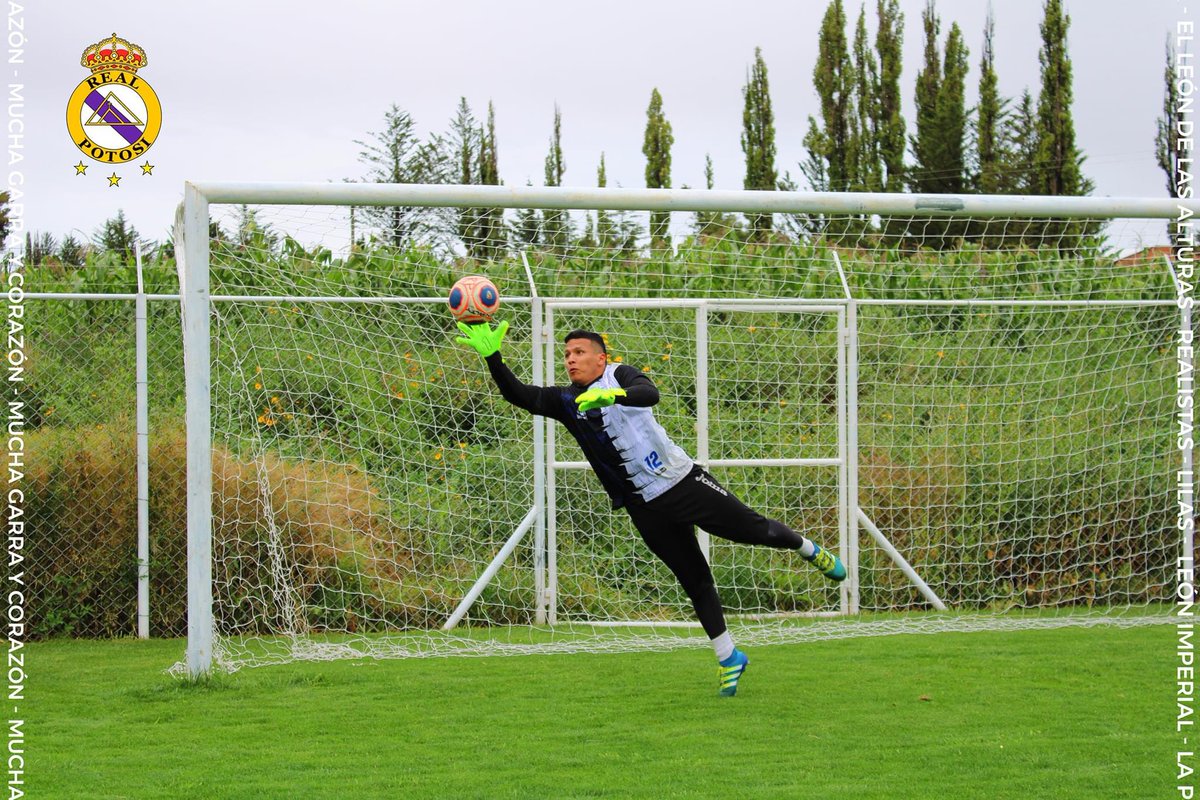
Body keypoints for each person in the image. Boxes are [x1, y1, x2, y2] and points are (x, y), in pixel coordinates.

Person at [454, 320, 846, 697]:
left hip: (681, 482)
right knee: (694, 579)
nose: (571, 359)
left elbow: (649, 393)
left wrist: (613, 396)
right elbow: (520, 395)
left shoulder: (619, 375)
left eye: (579, 352)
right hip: (643, 504)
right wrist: (493, 358)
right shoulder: (566, 401)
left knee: (758, 532)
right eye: (567, 353)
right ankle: (729, 657)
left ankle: (808, 548)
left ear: (601, 358)